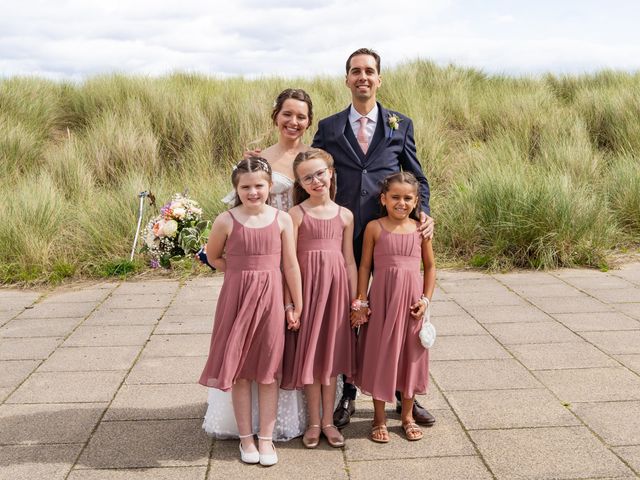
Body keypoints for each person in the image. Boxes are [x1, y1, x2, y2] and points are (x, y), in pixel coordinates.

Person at [311, 47, 435, 428]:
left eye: (369, 71)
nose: (362, 77)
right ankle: (350, 388)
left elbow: (417, 177)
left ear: (379, 79)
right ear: (346, 79)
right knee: (352, 309)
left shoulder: (401, 124)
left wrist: (423, 215)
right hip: (344, 233)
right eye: (355, 71)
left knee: (399, 312)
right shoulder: (330, 127)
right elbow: (310, 168)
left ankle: (402, 394)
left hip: (392, 234)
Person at [200, 89, 313, 443]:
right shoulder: (258, 160)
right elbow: (238, 206)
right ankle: (248, 428)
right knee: (253, 346)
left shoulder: (314, 159)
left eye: (301, 116)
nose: (293, 122)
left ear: (309, 121)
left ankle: (304, 417)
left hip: (301, 249)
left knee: (290, 341)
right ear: (275, 116)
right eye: (287, 114)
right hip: (259, 252)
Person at [199, 157, 303, 466]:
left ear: (270, 186)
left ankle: (267, 438)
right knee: (242, 371)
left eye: (259, 185)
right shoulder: (226, 220)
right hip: (237, 300)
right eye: (246, 187)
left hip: (271, 298)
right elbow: (213, 255)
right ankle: (246, 438)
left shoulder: (282, 219)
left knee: (269, 370)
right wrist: (239, 273)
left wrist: (296, 303)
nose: (253, 192)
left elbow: (291, 264)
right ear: (236, 189)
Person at [281, 149, 358, 449]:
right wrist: (291, 303)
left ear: (331, 172)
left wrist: (356, 300)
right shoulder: (295, 215)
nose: (316, 181)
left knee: (330, 359)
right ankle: (314, 422)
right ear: (301, 182)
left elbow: (349, 260)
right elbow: (288, 263)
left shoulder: (345, 215)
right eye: (307, 177)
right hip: (308, 293)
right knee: (311, 358)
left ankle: (329, 421)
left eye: (320, 173)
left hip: (336, 293)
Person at [351, 172, 436, 443]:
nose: (401, 202)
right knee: (381, 354)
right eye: (395, 197)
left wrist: (425, 300)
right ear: (383, 198)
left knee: (409, 357)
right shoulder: (375, 228)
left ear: (416, 201)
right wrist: (362, 300)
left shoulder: (420, 229)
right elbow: (365, 265)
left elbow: (431, 267)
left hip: (411, 302)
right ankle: (378, 418)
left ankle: (408, 416)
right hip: (383, 302)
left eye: (408, 198)